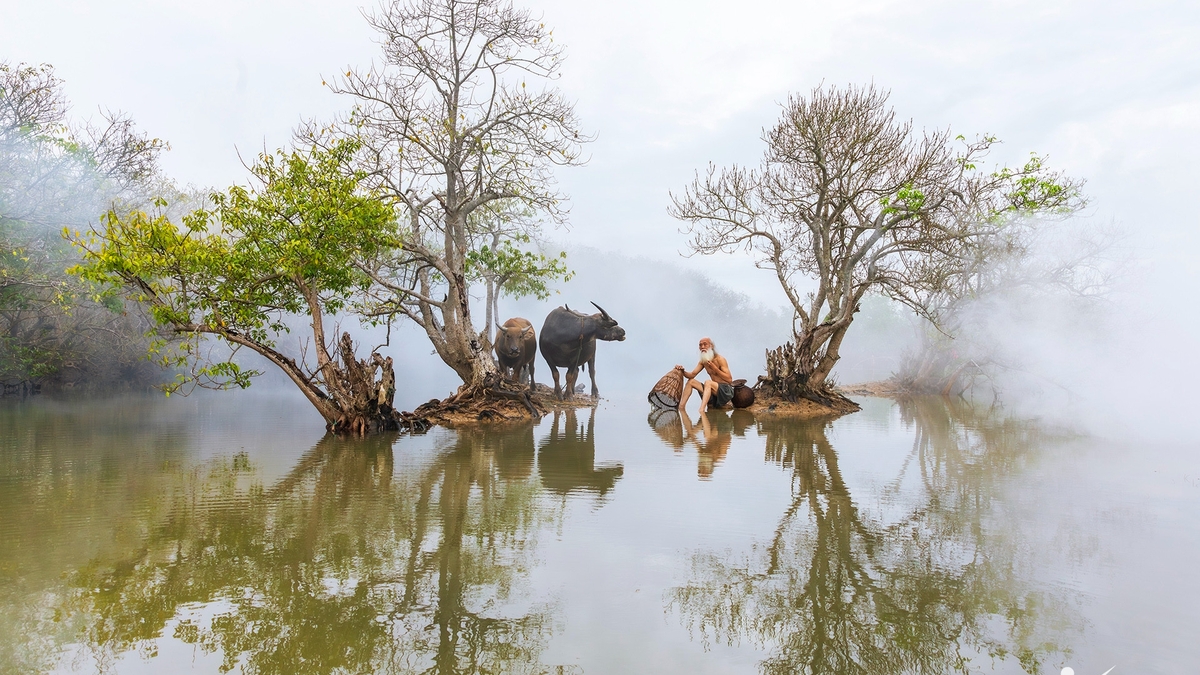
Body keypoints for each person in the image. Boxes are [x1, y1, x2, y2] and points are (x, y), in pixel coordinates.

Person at [675, 337, 734, 413]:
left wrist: (715, 368)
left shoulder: (720, 359)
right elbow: (692, 375)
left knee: (708, 382)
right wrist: (683, 371)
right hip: (712, 391)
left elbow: (729, 380)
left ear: (711, 346)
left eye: (705, 344)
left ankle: (701, 410)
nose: (702, 347)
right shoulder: (703, 361)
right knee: (691, 382)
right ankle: (681, 408)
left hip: (726, 391)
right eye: (700, 345)